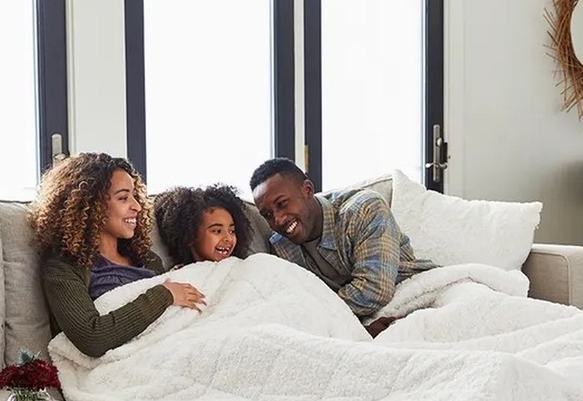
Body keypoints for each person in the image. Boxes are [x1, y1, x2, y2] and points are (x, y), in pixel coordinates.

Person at [31, 152, 206, 358]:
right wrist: (163, 295)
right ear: (91, 205)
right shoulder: (63, 267)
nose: (137, 206)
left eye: (135, 196)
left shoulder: (147, 259)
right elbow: (93, 338)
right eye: (123, 198)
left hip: (174, 347)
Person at [249, 158, 435, 334]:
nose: (278, 220)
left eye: (282, 204)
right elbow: (292, 305)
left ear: (307, 190)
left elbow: (375, 290)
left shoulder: (364, 209)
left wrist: (314, 317)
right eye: (267, 215)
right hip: (357, 325)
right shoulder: (280, 247)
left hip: (416, 297)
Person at [154, 184, 252, 266]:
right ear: (190, 235)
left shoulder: (244, 267)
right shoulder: (177, 278)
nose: (228, 239)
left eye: (232, 231)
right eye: (217, 231)